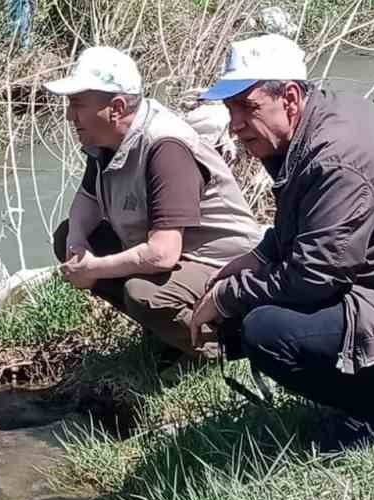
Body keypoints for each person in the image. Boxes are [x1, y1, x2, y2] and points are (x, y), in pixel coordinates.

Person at [188, 34, 374, 451]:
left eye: (248, 106)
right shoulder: (317, 124)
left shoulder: (334, 157)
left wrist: (228, 298)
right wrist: (256, 259)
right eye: (230, 108)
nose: (235, 123)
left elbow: (314, 276)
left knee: (264, 330)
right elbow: (311, 225)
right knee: (250, 307)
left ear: (290, 98)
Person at [43, 46, 265, 358]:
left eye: (77, 104)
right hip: (176, 256)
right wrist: (79, 244)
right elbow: (88, 197)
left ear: (116, 107)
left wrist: (94, 268)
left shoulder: (165, 147)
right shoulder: (106, 139)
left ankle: (227, 348)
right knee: (67, 236)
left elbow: (162, 254)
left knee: (144, 294)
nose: (70, 115)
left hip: (222, 264)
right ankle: (169, 333)